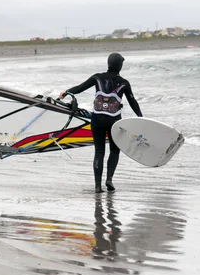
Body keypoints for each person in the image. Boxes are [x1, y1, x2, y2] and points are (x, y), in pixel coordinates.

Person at [59, 53, 143, 193]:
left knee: (99, 151)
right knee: (114, 151)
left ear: (108, 63)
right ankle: (109, 179)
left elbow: (80, 88)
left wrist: (65, 93)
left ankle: (97, 186)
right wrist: (141, 118)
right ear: (120, 66)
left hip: (97, 120)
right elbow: (133, 101)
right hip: (114, 120)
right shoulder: (124, 83)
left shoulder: (97, 77)